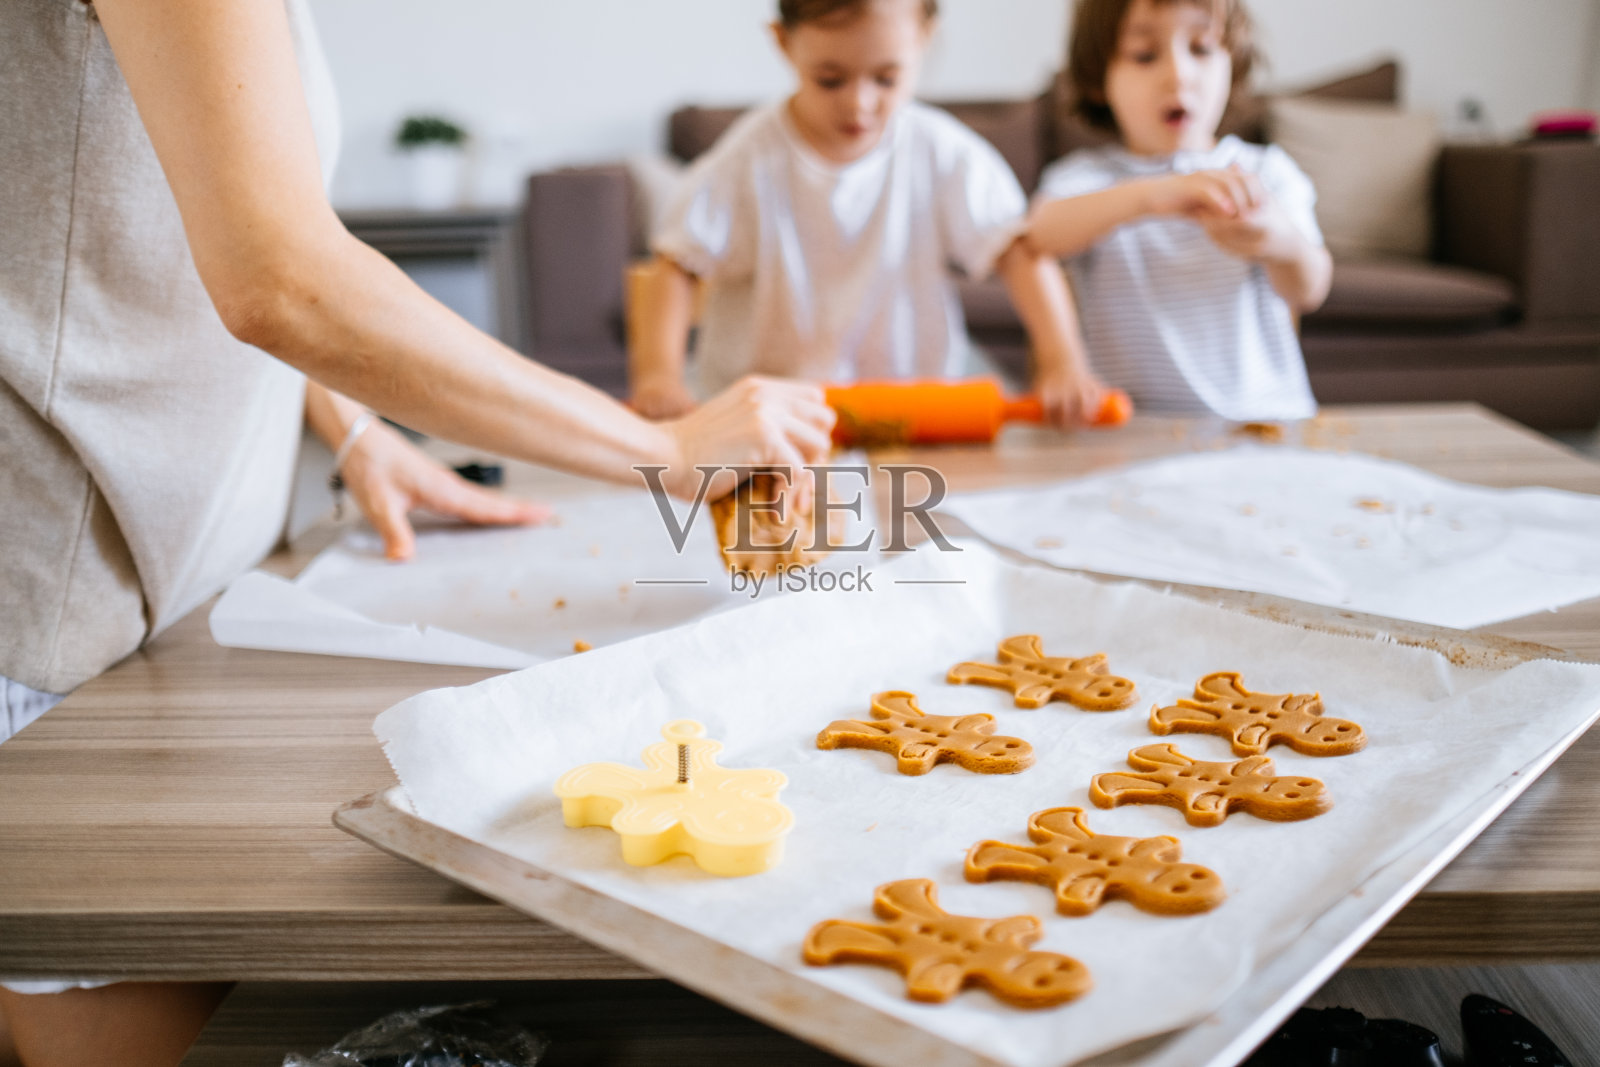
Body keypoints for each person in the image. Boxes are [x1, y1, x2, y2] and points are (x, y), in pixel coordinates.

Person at [0, 0, 831, 1061]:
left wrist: (352, 427)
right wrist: (660, 448)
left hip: (177, 609)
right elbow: (282, 278)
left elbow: (186, 217)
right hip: (48, 636)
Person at [628, 0, 1107, 428]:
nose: (859, 103)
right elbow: (677, 264)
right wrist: (659, 377)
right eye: (830, 79)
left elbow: (1019, 251)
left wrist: (1063, 358)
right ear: (783, 43)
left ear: (926, 39)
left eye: (886, 78)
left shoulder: (943, 152)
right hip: (770, 417)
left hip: (912, 407)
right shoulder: (747, 160)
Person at [1027, 0, 1333, 421]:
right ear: (1099, 79)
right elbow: (1039, 234)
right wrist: (1152, 195)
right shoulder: (1086, 179)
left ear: (1233, 64)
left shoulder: (1266, 172)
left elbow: (1310, 288)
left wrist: (1275, 239)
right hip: (1133, 429)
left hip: (1265, 420)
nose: (1178, 75)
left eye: (1202, 49)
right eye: (1145, 55)